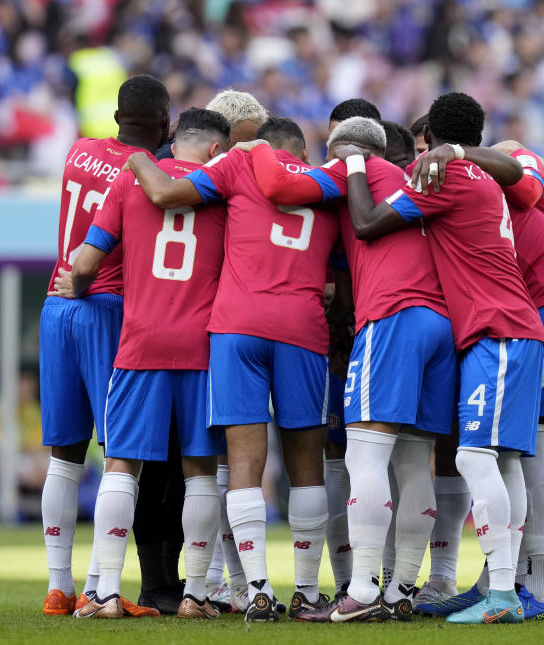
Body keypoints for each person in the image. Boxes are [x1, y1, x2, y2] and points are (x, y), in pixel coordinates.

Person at [243, 116, 522, 622]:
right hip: (443, 324)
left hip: (392, 317)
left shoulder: (356, 170)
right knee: (417, 464)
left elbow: (281, 185)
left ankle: (364, 589)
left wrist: (258, 148)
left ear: (345, 149)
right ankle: (400, 591)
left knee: (365, 458)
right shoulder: (420, 176)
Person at [336, 92, 544, 625]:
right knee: (505, 461)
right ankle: (506, 587)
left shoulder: (442, 175)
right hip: (510, 326)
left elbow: (367, 222)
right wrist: (460, 151)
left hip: (495, 329)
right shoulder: (484, 176)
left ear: (429, 141)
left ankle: (501, 595)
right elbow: (527, 174)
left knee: (474, 457)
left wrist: (355, 161)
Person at [125, 116, 340, 623]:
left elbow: (167, 193)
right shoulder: (327, 182)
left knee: (243, 463)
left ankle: (258, 590)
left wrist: (138, 155)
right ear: (301, 153)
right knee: (307, 465)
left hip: (237, 327)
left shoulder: (239, 161)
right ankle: (308, 592)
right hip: (303, 330)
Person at [410, 139, 544, 621]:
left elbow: (542, 183)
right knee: (524, 446)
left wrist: (465, 153)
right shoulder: (481, 177)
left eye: (425, 148)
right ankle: (513, 580)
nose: (423, 161)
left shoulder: (493, 162)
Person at [57, 107, 231, 620]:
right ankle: (196, 595)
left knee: (122, 466)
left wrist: (78, 282)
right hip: (201, 347)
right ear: (215, 151)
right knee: (200, 471)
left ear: (175, 143)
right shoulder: (223, 190)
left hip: (140, 343)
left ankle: (105, 591)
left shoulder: (132, 180)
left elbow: (86, 262)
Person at [37, 74, 169, 618]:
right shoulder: (145, 172)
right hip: (105, 306)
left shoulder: (79, 151)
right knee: (123, 454)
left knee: (64, 456)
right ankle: (99, 586)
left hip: (55, 304)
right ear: (163, 126)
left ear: (116, 119)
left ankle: (57, 586)